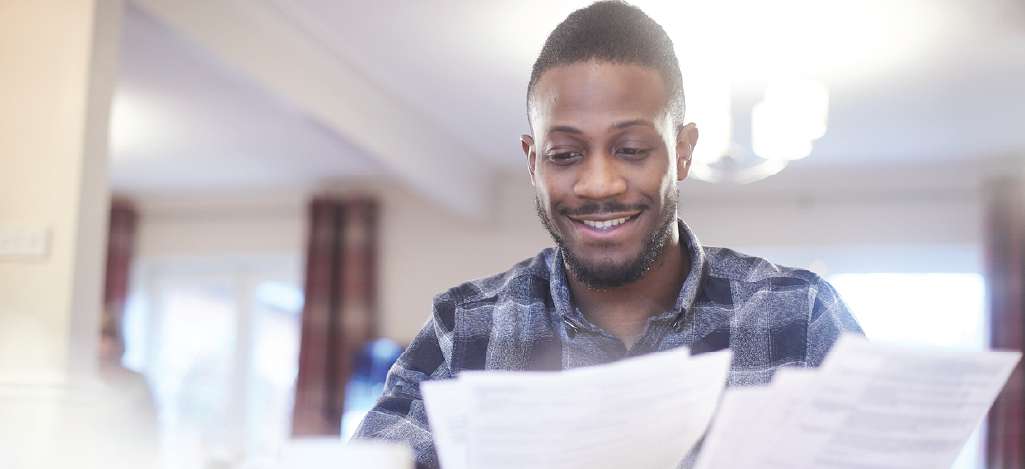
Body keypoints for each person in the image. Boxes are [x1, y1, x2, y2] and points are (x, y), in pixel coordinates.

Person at [353, 1, 863, 467]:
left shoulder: (801, 314)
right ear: (534, 162)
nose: (599, 184)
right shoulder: (464, 329)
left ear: (683, 151)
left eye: (632, 149)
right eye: (566, 154)